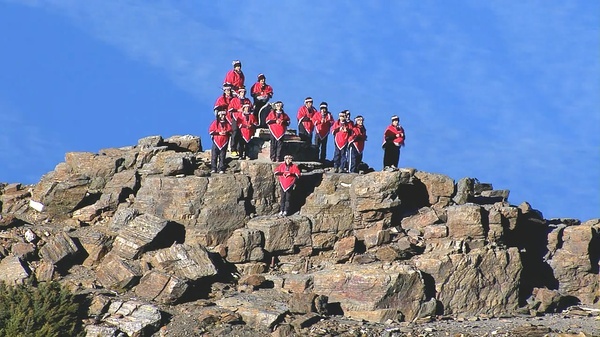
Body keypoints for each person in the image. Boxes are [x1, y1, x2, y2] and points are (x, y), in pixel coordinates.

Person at [227, 86, 253, 157]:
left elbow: (251, 109)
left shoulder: (247, 100)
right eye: (241, 92)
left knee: (241, 135)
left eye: (244, 92)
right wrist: (237, 110)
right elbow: (230, 109)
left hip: (244, 120)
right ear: (239, 92)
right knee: (235, 132)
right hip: (236, 118)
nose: (243, 93)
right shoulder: (234, 100)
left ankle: (240, 150)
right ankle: (233, 149)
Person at [208, 109, 233, 173]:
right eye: (221, 115)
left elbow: (230, 131)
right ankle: (213, 168)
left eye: (224, 115)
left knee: (222, 156)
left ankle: (221, 168)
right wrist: (219, 133)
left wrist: (226, 132)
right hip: (216, 141)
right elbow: (211, 131)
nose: (223, 117)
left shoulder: (227, 123)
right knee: (214, 156)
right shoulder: (215, 123)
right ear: (218, 115)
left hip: (224, 142)